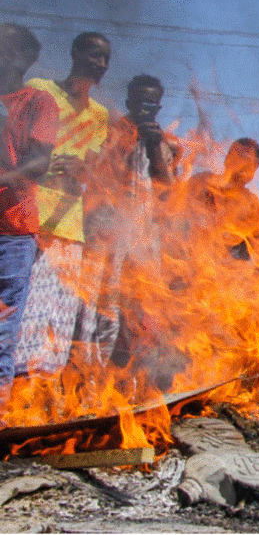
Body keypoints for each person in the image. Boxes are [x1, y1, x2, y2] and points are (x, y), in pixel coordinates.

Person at [17, 32, 110, 375]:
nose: (99, 64)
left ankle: (44, 394)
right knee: (23, 312)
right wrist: (42, 164)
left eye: (105, 60)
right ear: (75, 53)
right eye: (94, 55)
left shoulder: (100, 116)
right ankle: (15, 389)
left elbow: (97, 172)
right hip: (27, 218)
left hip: (70, 228)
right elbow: (13, 142)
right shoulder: (41, 89)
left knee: (57, 317)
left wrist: (84, 169)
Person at [78, 74, 181, 366]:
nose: (145, 109)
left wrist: (152, 146)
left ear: (159, 107)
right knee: (103, 305)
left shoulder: (165, 143)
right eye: (140, 102)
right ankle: (90, 371)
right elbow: (95, 173)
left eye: (152, 104)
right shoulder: (109, 131)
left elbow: (168, 187)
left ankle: (127, 374)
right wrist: (126, 144)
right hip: (107, 231)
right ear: (129, 102)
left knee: (139, 306)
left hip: (144, 237)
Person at [0, 24, 56, 391]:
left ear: (25, 58)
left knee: (3, 322)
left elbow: (38, 165)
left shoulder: (37, 103)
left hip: (12, 230)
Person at [185, 137, 259, 260]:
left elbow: (257, 247)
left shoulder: (252, 204)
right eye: (236, 155)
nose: (239, 162)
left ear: (253, 170)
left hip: (225, 271)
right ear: (227, 158)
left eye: (246, 159)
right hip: (190, 259)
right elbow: (173, 209)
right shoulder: (202, 181)